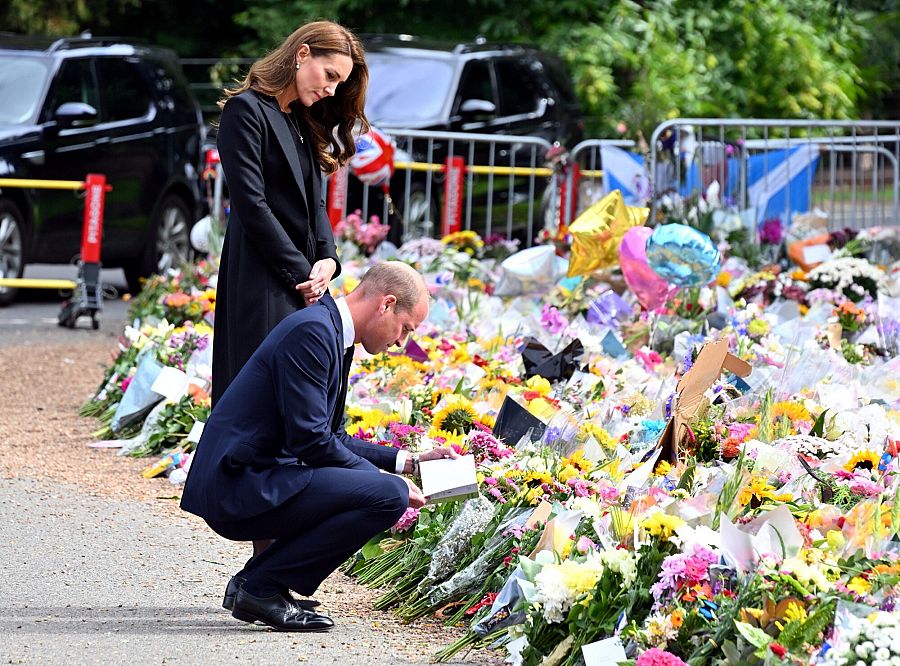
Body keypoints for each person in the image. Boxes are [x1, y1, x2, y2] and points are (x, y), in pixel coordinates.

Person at [181, 262, 458, 631]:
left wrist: (410, 462)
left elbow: (332, 436)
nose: (400, 342)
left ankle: (255, 582)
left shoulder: (328, 330)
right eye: (405, 329)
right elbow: (311, 440)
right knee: (387, 497)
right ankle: (262, 587)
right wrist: (382, 480)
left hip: (254, 474)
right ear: (386, 304)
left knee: (384, 488)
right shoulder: (314, 331)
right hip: (236, 483)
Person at [213, 20, 370, 567]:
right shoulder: (246, 112)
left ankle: (269, 568)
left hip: (303, 279)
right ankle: (263, 567)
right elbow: (250, 205)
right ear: (301, 54)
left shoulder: (303, 122)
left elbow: (317, 206)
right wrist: (300, 271)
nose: (330, 89)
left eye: (339, 82)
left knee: (298, 416)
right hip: (261, 282)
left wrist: (328, 259)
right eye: (327, 75)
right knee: (266, 421)